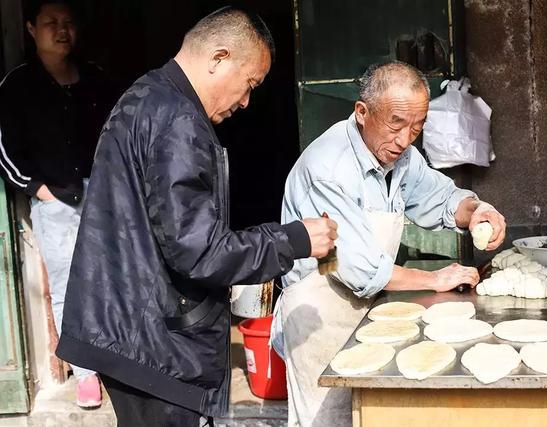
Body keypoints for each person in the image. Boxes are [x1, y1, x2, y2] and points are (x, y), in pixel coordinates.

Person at [55, 6, 337, 426]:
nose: (245, 101)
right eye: (249, 84)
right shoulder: (177, 120)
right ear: (219, 58)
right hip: (153, 342)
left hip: (133, 327)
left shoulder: (148, 96)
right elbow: (198, 250)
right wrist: (294, 240)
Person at [272, 61, 507, 427]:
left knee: (374, 416)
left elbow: (440, 198)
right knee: (328, 419)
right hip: (319, 311)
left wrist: (476, 210)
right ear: (362, 112)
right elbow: (354, 266)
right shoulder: (328, 167)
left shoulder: (402, 157)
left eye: (416, 128)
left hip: (366, 307)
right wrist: (434, 279)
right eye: (396, 123)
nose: (404, 139)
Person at [0, 0, 115, 408]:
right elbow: (6, 151)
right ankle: (86, 373)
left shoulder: (96, 79)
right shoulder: (17, 86)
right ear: (30, 29)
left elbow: (117, 134)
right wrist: (38, 189)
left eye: (68, 22)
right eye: (51, 23)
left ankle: (119, 359)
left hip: (104, 197)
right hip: (57, 203)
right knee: (69, 287)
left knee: (116, 277)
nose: (61, 30)